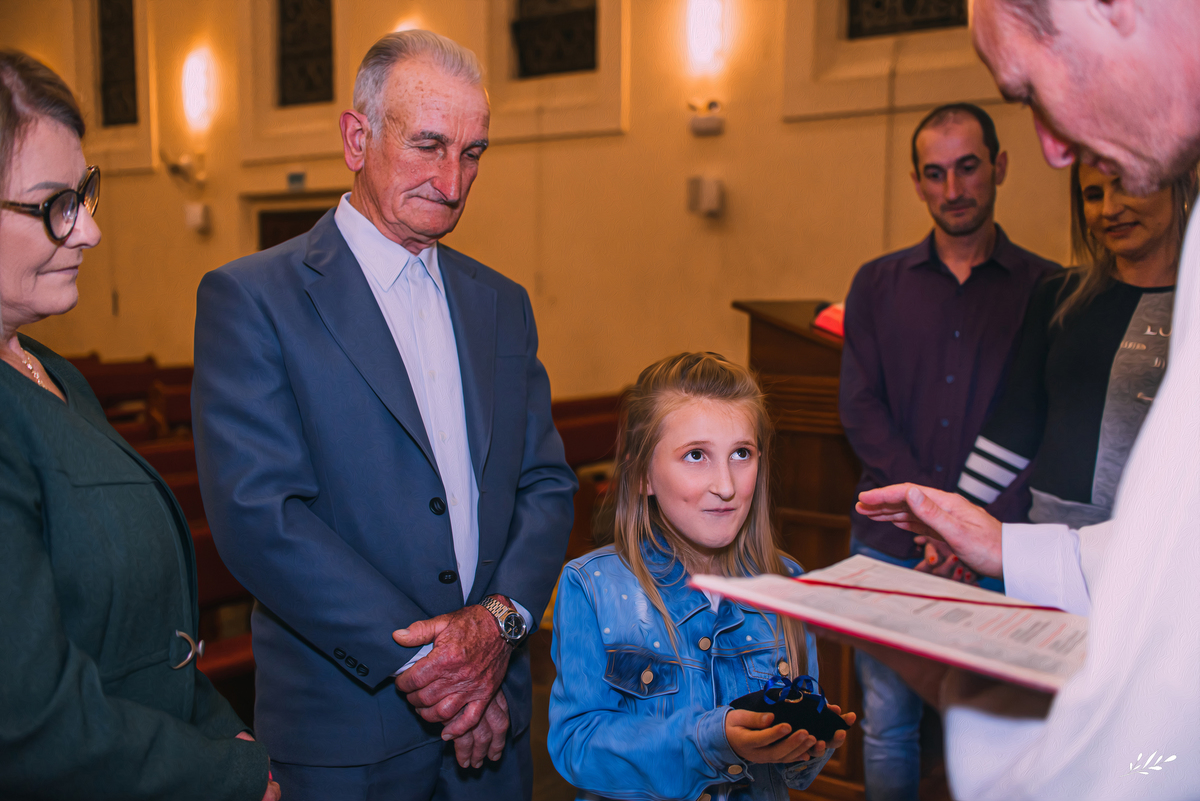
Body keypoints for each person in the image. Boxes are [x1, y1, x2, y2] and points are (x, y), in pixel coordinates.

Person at [191, 30, 576, 801]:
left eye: (473, 153)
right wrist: (435, 664)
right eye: (429, 144)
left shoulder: (501, 301)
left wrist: (496, 627)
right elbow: (260, 516)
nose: (453, 178)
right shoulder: (253, 298)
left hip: (493, 723)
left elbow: (546, 482)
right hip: (347, 732)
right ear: (356, 136)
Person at [850, 0, 1200, 797]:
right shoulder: (892, 283)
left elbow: (1154, 751)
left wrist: (978, 700)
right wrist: (1002, 544)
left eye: (1030, 87)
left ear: (1111, 10)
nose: (1055, 149)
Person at [0, 51, 278, 801]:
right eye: (54, 202)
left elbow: (147, 639)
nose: (88, 229)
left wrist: (223, 730)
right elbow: (29, 723)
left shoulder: (53, 372)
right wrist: (228, 772)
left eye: (84, 192)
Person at [837, 101, 1059, 800]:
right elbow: (860, 407)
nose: (953, 189)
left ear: (999, 166)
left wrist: (972, 533)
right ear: (916, 181)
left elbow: (1045, 429)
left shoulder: (1052, 290)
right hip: (888, 542)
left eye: (967, 168)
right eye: (935, 174)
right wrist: (932, 519)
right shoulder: (877, 282)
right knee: (888, 724)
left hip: (1000, 551)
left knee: (1001, 726)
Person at [547, 352, 855, 801]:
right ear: (642, 475)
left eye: (741, 454)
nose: (727, 485)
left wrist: (803, 746)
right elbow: (578, 748)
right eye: (696, 455)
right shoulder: (593, 586)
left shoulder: (786, 584)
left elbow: (793, 778)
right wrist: (712, 740)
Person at [956, 162, 1197, 527]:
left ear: (1179, 183)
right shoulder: (1059, 294)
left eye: (1128, 186)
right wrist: (955, 517)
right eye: (1093, 195)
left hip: (1162, 548)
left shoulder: (1192, 305)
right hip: (1051, 540)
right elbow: (1019, 420)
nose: (1109, 209)